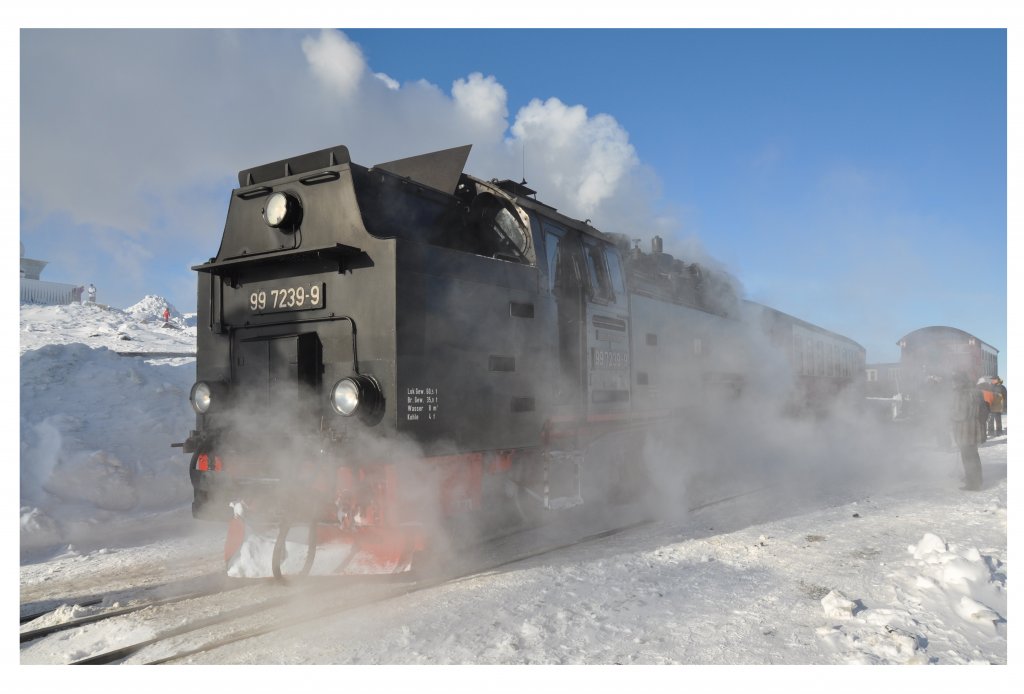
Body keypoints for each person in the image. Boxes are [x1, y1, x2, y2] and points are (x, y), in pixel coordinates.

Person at [951, 372, 986, 490]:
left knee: (967, 457)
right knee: (973, 455)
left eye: (954, 382)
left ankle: (973, 484)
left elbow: (961, 414)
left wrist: (950, 415)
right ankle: (976, 479)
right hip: (975, 428)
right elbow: (983, 411)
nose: (953, 384)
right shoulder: (976, 392)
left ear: (960, 382)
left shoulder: (961, 394)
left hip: (965, 430)